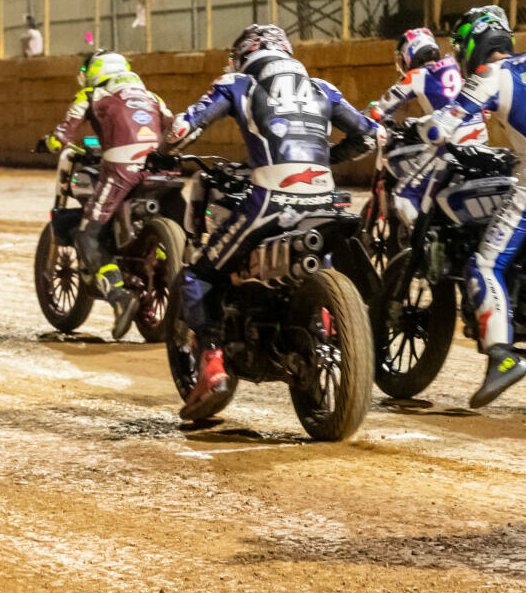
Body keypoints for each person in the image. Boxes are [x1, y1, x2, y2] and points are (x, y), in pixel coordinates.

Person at [163, 24, 381, 420]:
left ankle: (212, 363)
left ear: (245, 54)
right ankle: (326, 330)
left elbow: (184, 127)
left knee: (197, 273)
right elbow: (369, 137)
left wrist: (170, 145)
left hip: (269, 202)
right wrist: (324, 158)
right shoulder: (322, 88)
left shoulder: (239, 82)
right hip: (325, 202)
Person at [420, 6, 526, 409]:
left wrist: (425, 129)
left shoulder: (489, 77)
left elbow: (444, 123)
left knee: (484, 264)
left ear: (471, 46)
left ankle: (502, 355)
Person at [40, 50, 172, 341]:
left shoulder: (91, 94)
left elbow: (63, 135)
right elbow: (174, 129)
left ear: (94, 71)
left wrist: (48, 142)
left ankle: (118, 296)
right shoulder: (152, 96)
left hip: (121, 170)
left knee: (88, 234)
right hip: (161, 171)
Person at [372, 28, 487, 220]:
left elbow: (380, 109)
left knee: (403, 196)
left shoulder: (418, 75)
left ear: (410, 54)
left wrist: (364, 118)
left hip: (449, 145)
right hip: (479, 142)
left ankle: (421, 247)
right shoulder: (457, 67)